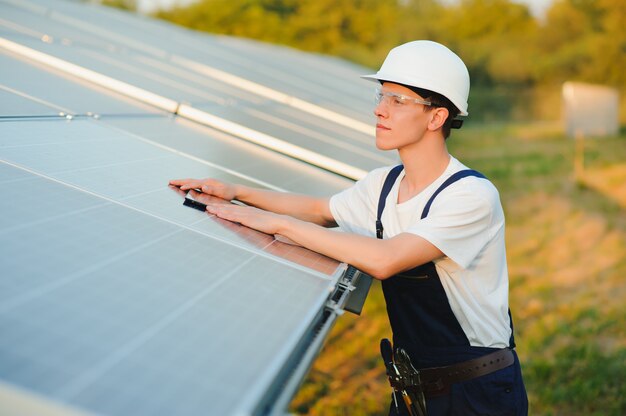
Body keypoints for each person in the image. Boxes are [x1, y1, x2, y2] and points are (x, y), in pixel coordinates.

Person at [170, 40, 528, 415]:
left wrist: (278, 225)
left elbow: (386, 259)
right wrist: (235, 192)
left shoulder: (470, 196)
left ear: (436, 117)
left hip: (475, 393)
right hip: (415, 391)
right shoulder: (384, 185)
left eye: (397, 101)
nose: (379, 110)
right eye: (381, 96)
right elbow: (319, 210)